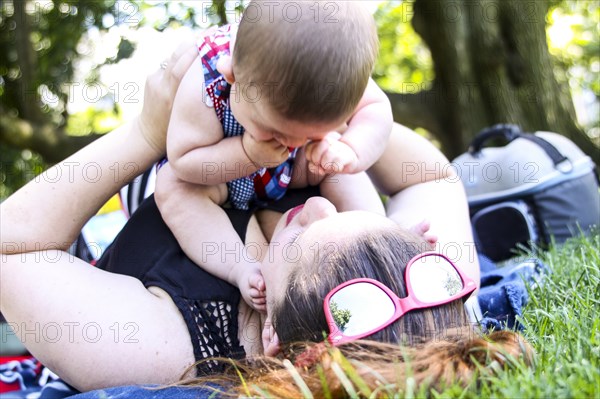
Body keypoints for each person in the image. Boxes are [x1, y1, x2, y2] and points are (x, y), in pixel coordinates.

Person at [0, 41, 529, 396]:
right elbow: (431, 179)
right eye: (355, 215)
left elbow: (13, 248)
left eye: (307, 233)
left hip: (153, 191)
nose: (321, 204)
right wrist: (326, 106)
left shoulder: (163, 350)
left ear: (272, 327)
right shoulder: (440, 300)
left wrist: (146, 134)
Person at [156, 0, 393, 311]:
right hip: (215, 176)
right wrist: (246, 153)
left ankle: (381, 240)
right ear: (233, 76)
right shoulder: (207, 78)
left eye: (307, 134)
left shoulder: (329, 75)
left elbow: (376, 109)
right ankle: (240, 267)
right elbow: (184, 159)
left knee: (343, 172)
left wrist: (349, 150)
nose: (292, 143)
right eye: (274, 129)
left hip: (286, 174)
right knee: (172, 187)